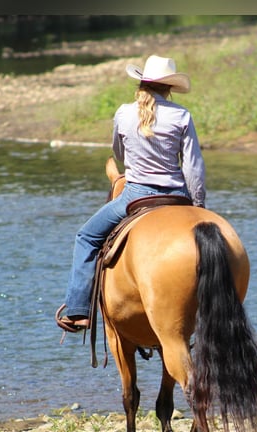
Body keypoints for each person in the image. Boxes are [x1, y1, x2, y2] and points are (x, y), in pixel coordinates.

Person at [56, 55, 206, 333]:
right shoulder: (182, 115)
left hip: (135, 196)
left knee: (86, 237)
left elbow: (119, 154)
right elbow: (193, 168)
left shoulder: (124, 113)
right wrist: (198, 206)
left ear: (140, 83)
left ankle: (77, 310)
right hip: (177, 196)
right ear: (169, 88)